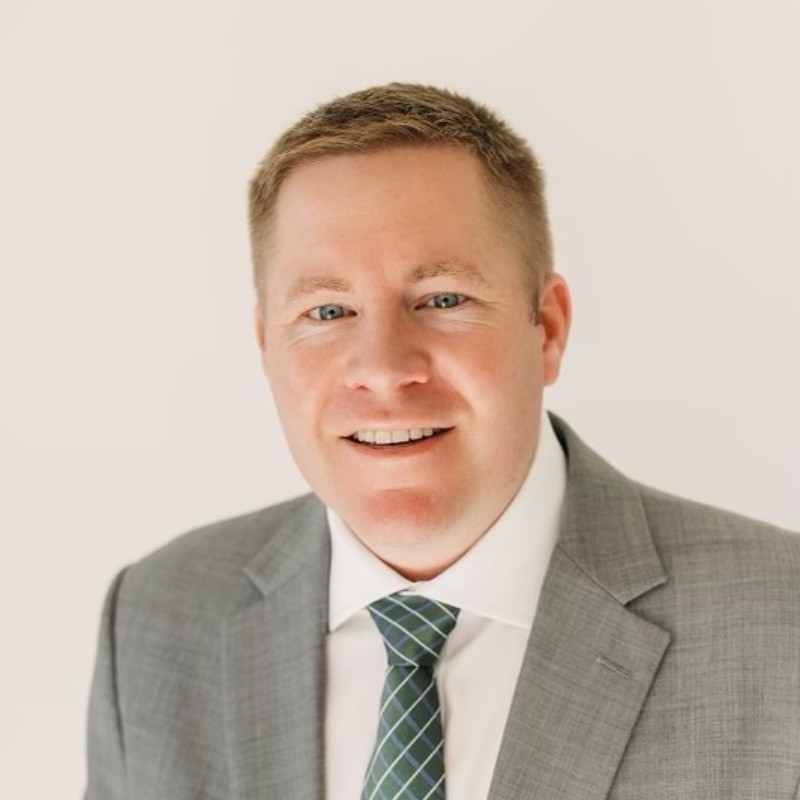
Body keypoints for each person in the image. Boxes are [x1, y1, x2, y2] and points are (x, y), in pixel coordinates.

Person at [84, 83, 800, 800]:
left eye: (443, 299)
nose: (384, 369)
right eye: (327, 311)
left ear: (547, 330)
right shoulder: (157, 620)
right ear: (266, 346)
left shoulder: (782, 624)